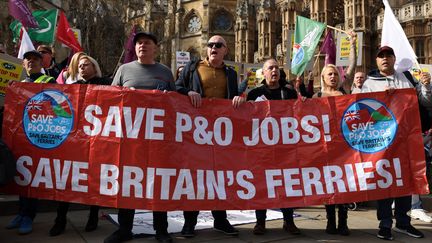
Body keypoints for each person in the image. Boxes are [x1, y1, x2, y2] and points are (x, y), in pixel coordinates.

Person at [105, 32, 175, 243]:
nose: (142, 46)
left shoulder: (165, 72)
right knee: (127, 183)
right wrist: (126, 94)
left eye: (147, 43)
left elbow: (174, 104)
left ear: (156, 48)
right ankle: (125, 229)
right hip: (130, 139)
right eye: (139, 43)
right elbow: (109, 97)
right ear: (135, 49)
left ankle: (161, 230)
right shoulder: (124, 70)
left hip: (158, 141)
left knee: (158, 184)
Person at [176, 35, 245, 237]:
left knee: (219, 178)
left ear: (226, 50)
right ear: (207, 49)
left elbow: (233, 97)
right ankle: (189, 223)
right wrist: (188, 92)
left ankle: (221, 220)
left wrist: (239, 99)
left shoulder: (231, 74)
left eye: (218, 45)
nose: (213, 47)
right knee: (194, 177)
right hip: (195, 133)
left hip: (220, 134)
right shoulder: (192, 67)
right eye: (211, 45)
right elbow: (176, 87)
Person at [361, 45, 432, 240]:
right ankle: (384, 224)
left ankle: (403, 222)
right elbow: (362, 111)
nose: (385, 58)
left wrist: (425, 86)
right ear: (376, 61)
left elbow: (424, 103)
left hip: (407, 140)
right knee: (385, 182)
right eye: (381, 56)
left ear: (394, 59)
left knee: (405, 182)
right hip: (382, 143)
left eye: (388, 55)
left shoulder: (406, 78)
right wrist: (383, 99)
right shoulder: (370, 83)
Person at [49, 54, 109, 237]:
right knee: (67, 179)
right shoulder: (72, 88)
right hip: (75, 141)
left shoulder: (107, 84)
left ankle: (93, 216)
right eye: (80, 65)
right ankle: (60, 219)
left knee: (94, 179)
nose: (82, 67)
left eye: (86, 64)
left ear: (94, 66)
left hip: (98, 139)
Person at [246, 58, 300, 235]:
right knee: (261, 184)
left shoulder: (289, 92)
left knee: (287, 184)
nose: (274, 70)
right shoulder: (255, 93)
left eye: (277, 67)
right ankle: (260, 222)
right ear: (264, 72)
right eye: (270, 68)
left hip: (285, 147)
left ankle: (289, 221)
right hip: (263, 148)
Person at [5, 50, 55, 235]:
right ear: (23, 64)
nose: (31, 63)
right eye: (28, 60)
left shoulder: (49, 82)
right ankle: (21, 212)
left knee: (32, 178)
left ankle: (28, 216)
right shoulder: (18, 83)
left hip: (39, 136)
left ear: (42, 64)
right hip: (19, 136)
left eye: (35, 60)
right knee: (21, 175)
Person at [313, 31, 357, 236]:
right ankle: (330, 221)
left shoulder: (344, 90)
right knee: (329, 184)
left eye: (335, 73)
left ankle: (343, 222)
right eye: (329, 73)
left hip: (345, 144)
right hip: (325, 146)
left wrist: (353, 45)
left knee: (345, 185)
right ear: (323, 77)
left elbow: (352, 66)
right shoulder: (317, 96)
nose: (333, 76)